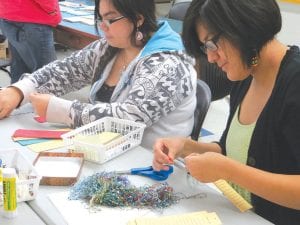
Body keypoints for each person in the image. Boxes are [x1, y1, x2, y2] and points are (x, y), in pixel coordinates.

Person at [152, 0, 300, 224]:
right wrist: (186, 147)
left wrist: (230, 171)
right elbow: (231, 150)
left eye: (212, 45)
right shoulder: (246, 76)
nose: (211, 58)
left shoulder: (294, 84)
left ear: (242, 26)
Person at [0, 0, 197, 149]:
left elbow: (130, 119)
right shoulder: (111, 46)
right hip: (106, 149)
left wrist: (60, 109)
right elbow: (66, 71)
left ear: (138, 18)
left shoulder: (168, 65)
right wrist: (18, 91)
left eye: (110, 19)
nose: (103, 26)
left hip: (149, 162)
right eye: (100, 18)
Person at [0, 0, 61, 83]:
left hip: (8, 14)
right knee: (46, 74)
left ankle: (19, 94)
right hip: (32, 18)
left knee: (19, 67)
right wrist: (53, 11)